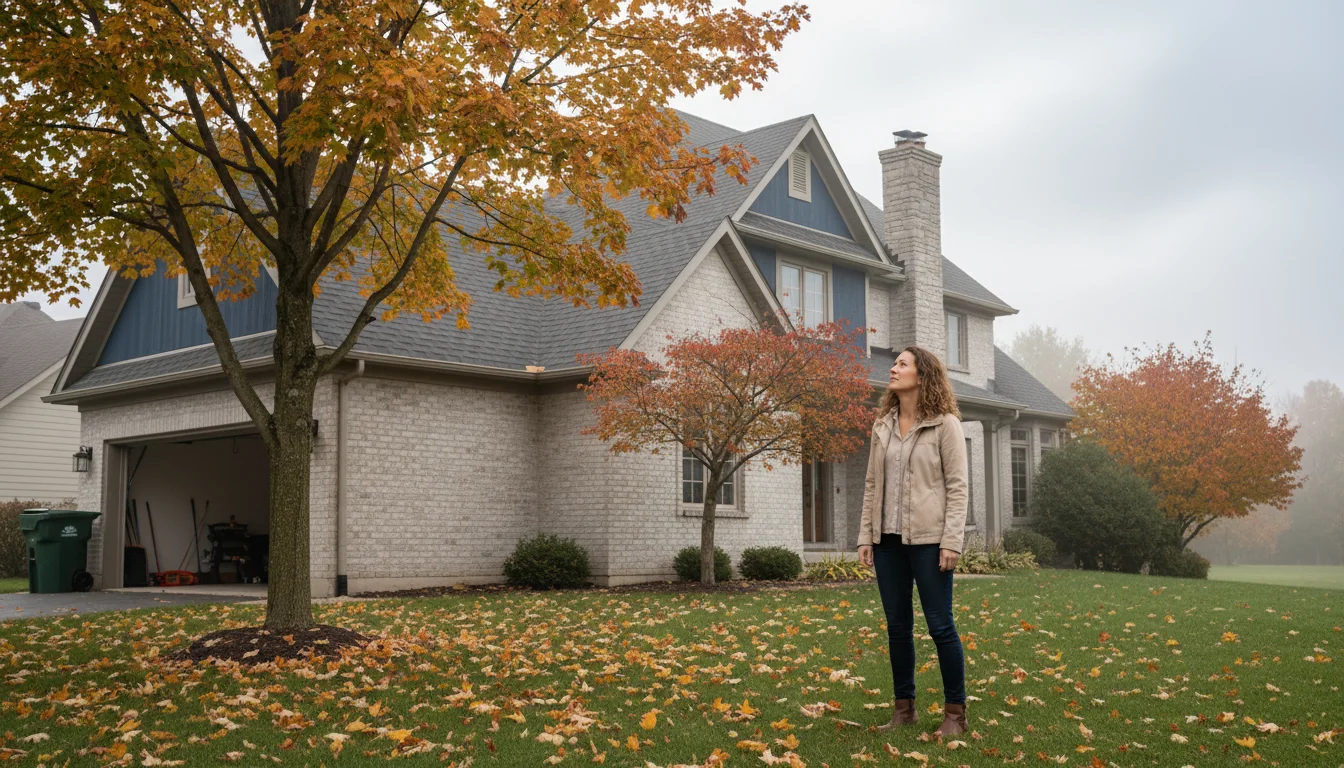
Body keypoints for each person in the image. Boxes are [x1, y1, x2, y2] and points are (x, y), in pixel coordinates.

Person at [857, 345, 969, 736]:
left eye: (902, 364)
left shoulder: (945, 424)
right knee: (897, 627)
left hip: (929, 540)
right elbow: (872, 483)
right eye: (894, 363)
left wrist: (951, 541)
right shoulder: (882, 426)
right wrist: (865, 536)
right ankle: (904, 710)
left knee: (941, 626)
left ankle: (955, 715)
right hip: (887, 540)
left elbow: (957, 487)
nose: (893, 368)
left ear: (922, 376)